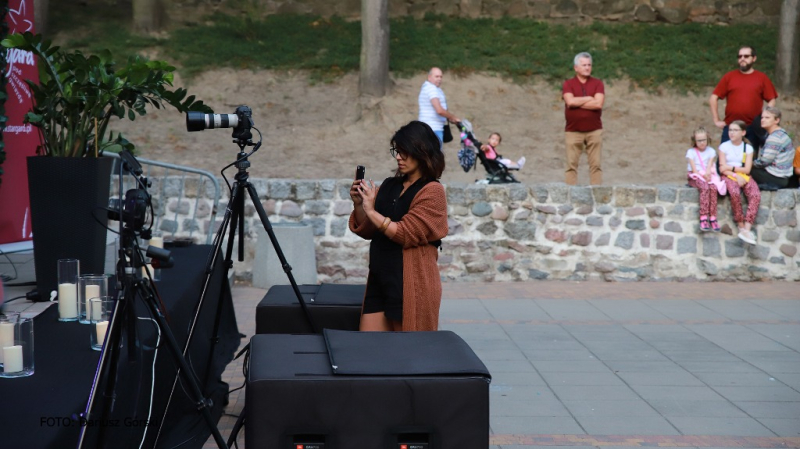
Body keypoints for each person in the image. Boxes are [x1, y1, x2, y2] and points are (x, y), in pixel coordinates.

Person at [349, 121, 448, 332]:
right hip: (380, 279)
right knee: (369, 352)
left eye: (405, 152)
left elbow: (405, 233)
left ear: (422, 152)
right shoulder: (389, 185)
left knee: (406, 358)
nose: (398, 157)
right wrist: (360, 205)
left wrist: (371, 211)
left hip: (411, 284)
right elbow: (368, 229)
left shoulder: (432, 192)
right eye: (397, 151)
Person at [709, 46, 778, 153]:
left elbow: (771, 99)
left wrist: (765, 117)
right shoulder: (729, 77)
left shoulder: (761, 78)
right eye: (740, 56)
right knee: (724, 161)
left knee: (749, 162)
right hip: (730, 127)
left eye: (746, 56)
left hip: (752, 128)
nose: (742, 59)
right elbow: (714, 97)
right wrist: (716, 119)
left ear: (754, 58)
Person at [562, 52, 605, 185]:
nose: (587, 68)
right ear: (576, 68)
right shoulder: (568, 84)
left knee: (595, 165)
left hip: (594, 130)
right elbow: (570, 102)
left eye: (589, 65)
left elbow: (598, 104)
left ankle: (596, 193)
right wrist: (588, 98)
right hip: (573, 130)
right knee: (571, 165)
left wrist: (578, 102)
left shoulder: (598, 83)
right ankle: (571, 194)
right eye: (584, 65)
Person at [717, 120, 760, 244]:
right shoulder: (724, 147)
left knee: (755, 194)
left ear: (743, 132)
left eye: (735, 130)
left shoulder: (748, 148)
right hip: (729, 176)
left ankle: (747, 228)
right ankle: (740, 225)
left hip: (743, 175)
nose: (732, 133)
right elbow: (722, 169)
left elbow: (747, 169)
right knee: (735, 193)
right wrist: (735, 175)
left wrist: (731, 168)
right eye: (730, 130)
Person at [686, 127, 722, 232]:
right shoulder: (691, 152)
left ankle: (713, 217)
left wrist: (707, 174)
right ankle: (703, 217)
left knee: (713, 188)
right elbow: (694, 170)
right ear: (694, 141)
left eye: (704, 140)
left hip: (707, 174)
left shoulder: (711, 151)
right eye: (699, 140)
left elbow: (709, 166)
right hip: (695, 175)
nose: (702, 143)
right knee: (705, 188)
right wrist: (702, 176)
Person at [752, 106, 794, 189]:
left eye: (767, 117)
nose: (763, 120)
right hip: (784, 176)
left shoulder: (774, 138)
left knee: (748, 170)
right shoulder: (781, 132)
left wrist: (750, 164)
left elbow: (764, 162)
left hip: (777, 177)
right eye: (762, 117)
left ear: (777, 120)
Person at [418, 67, 460, 144]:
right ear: (429, 77)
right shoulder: (431, 89)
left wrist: (449, 118)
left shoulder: (431, 88)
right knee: (435, 155)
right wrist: (453, 117)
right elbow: (439, 110)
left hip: (429, 128)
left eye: (441, 77)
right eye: (436, 76)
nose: (439, 79)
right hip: (432, 128)